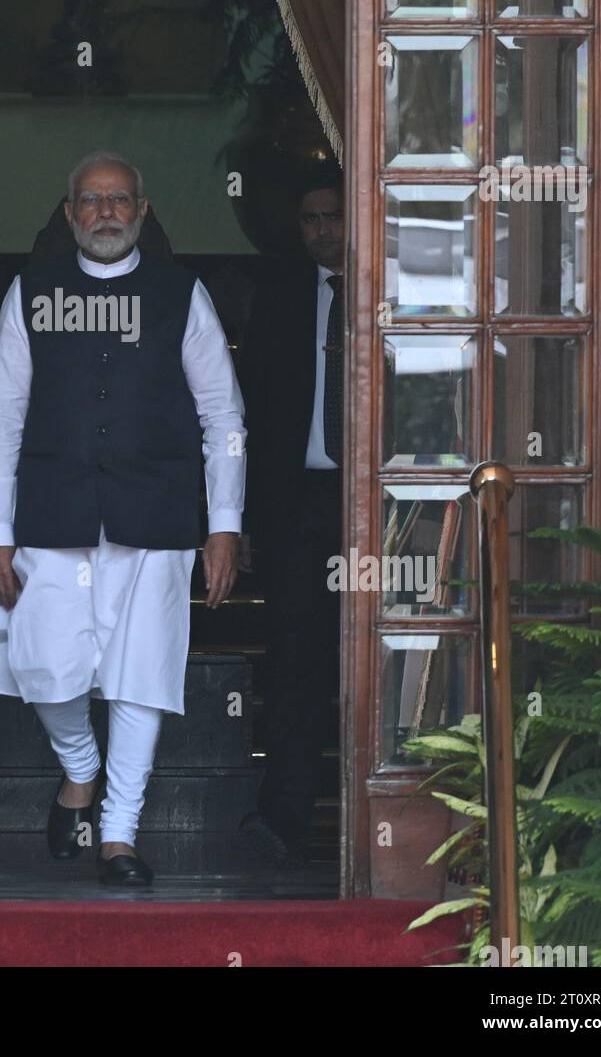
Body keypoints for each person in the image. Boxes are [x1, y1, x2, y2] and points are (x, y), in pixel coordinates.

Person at [0, 151, 245, 886]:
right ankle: (79, 767)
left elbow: (222, 415)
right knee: (45, 669)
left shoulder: (181, 293)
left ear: (142, 212)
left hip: (159, 516)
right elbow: (0, 421)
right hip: (51, 516)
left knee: (141, 678)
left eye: (119, 200)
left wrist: (225, 523)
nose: (105, 212)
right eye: (90, 200)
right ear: (69, 213)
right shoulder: (30, 292)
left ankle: (118, 833)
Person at [239, 162, 345, 868]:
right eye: (309, 219)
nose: (320, 231)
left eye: (331, 217)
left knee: (381, 654)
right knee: (294, 661)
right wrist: (240, 518)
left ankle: (396, 811)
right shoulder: (277, 293)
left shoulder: (394, 290)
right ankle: (284, 814)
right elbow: (245, 409)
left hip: (378, 503)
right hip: (293, 504)